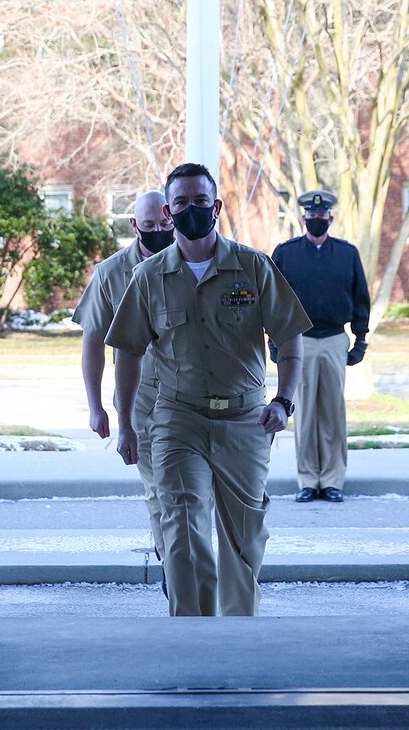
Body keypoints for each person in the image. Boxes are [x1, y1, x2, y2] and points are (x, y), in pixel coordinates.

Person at [105, 163, 311, 617]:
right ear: (167, 210)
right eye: (182, 203)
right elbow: (128, 353)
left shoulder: (253, 266)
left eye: (201, 201)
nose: (192, 210)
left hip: (246, 421)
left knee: (244, 538)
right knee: (182, 527)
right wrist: (125, 425)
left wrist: (285, 399)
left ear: (216, 207)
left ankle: (239, 635)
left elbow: (290, 337)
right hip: (178, 420)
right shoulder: (148, 277)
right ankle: (192, 637)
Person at [72, 189, 175, 567]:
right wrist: (97, 407)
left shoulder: (190, 262)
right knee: (158, 489)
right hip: (141, 399)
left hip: (191, 392)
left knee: (191, 490)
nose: (159, 231)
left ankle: (191, 560)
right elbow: (93, 342)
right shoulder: (111, 273)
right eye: (149, 226)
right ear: (134, 226)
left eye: (165, 224)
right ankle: (172, 564)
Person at [271, 189, 371, 502]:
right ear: (303, 218)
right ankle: (307, 480)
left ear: (331, 217)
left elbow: (360, 297)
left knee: (332, 413)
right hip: (297, 341)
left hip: (333, 340)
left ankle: (332, 480)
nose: (316, 219)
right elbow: (272, 299)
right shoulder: (286, 253)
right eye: (311, 216)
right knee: (303, 414)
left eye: (321, 215)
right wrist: (275, 341)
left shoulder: (347, 253)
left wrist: (361, 337)